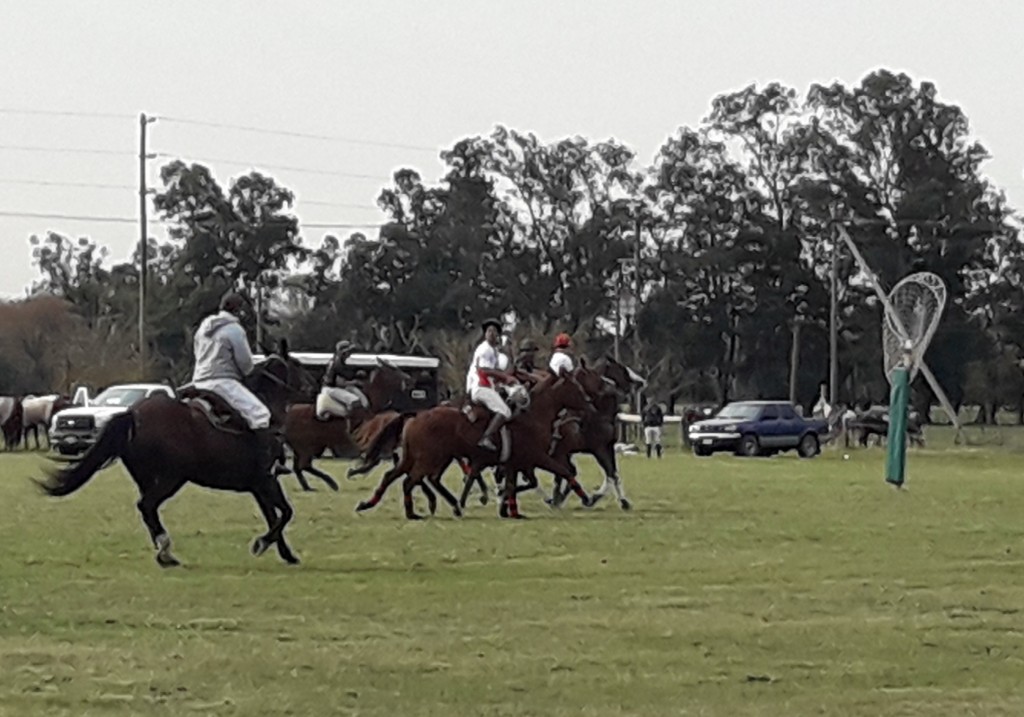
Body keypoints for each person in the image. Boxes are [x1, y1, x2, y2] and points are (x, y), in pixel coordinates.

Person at [191, 292, 289, 476]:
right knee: (261, 414)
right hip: (222, 381)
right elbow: (245, 365)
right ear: (239, 310)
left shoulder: (204, 326)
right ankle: (265, 465)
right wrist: (249, 371)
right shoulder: (235, 330)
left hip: (198, 380)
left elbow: (197, 352)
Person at [467, 318, 516, 450]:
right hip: (480, 388)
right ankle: (486, 438)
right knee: (505, 411)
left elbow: (500, 371)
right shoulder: (485, 349)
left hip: (485, 387)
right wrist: (505, 377)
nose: (491, 333)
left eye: (494, 331)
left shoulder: (493, 351)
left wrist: (509, 354)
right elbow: (484, 370)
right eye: (489, 331)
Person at [316, 340, 369, 420]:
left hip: (334, 387)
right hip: (331, 389)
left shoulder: (338, 362)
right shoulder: (337, 364)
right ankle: (351, 424)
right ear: (343, 353)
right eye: (349, 352)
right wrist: (356, 382)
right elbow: (341, 383)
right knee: (355, 401)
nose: (350, 354)